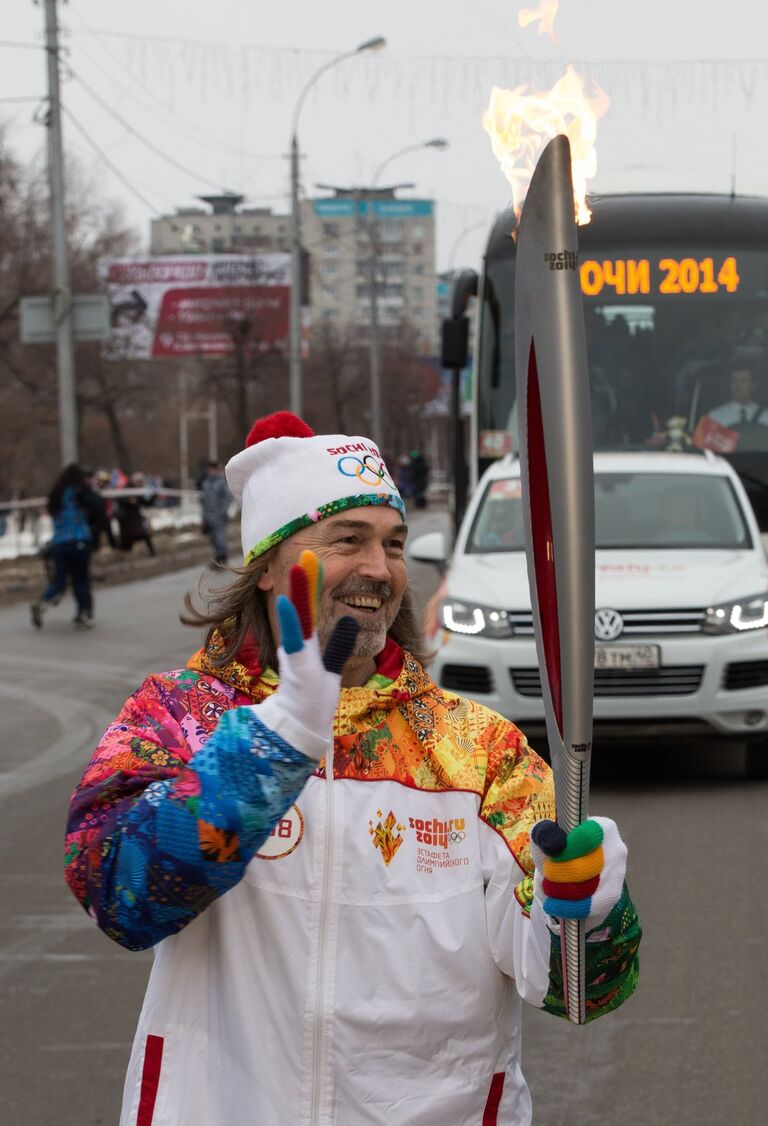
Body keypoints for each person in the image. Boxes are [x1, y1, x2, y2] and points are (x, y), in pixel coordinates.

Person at [64, 412, 641, 1126]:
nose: (379, 567)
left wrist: (586, 912)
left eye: (394, 544)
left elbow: (581, 993)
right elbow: (120, 894)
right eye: (348, 540)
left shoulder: (477, 750)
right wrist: (280, 738)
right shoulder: (179, 718)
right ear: (271, 564)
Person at [30, 464, 97, 629]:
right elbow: (95, 506)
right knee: (81, 579)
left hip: (59, 543)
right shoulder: (78, 493)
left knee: (59, 580)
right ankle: (83, 612)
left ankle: (43, 602)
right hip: (79, 540)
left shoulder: (56, 494)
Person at [199, 459, 232, 566]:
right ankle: (217, 558)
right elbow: (203, 502)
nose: (210, 472)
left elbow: (227, 498)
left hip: (218, 515)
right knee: (213, 538)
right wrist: (204, 518)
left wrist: (222, 511)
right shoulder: (206, 483)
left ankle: (223, 558)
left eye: (212, 469)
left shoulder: (221, 482)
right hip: (209, 516)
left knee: (220, 537)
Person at [116, 473, 156, 556]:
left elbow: (146, 503)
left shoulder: (138, 492)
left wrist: (154, 496)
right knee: (128, 538)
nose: (140, 484)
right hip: (127, 519)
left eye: (141, 482)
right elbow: (119, 499)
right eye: (138, 482)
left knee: (145, 535)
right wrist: (128, 501)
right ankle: (125, 554)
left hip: (136, 519)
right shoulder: (127, 489)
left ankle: (152, 553)